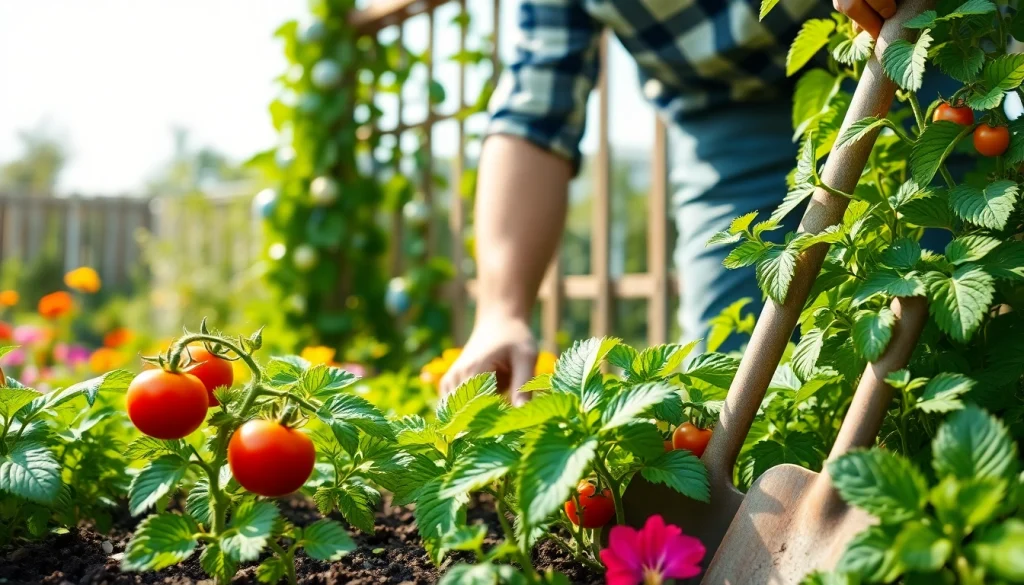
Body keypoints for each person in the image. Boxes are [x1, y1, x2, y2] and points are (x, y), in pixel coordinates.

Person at [440, 0, 904, 402]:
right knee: (733, 390)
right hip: (725, 120)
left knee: (925, 306)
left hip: (900, 34)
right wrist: (501, 312)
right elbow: (536, 108)